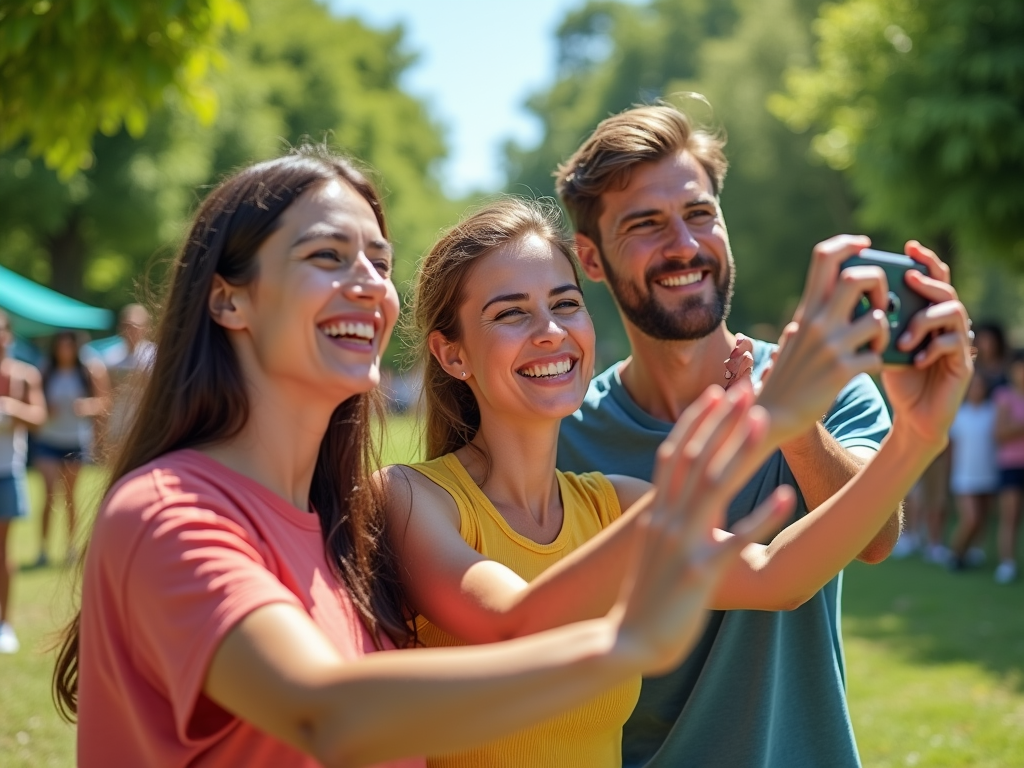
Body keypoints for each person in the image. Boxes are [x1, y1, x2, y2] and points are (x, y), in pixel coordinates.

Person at [55, 147, 792, 768]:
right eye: (327, 256)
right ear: (228, 301)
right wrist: (619, 645)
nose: (370, 286)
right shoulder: (168, 513)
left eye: (379, 261)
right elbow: (324, 716)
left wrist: (912, 432)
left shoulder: (339, 525)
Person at [384, 197, 971, 768]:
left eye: (566, 304)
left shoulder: (614, 504)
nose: (550, 332)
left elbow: (779, 578)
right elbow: (515, 626)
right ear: (451, 354)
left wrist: (918, 438)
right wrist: (761, 430)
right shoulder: (410, 497)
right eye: (511, 313)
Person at [552, 103, 972, 767]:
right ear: (590, 259)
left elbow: (877, 536)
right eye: (645, 225)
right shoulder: (566, 437)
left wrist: (792, 425)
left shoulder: (824, 379)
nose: (685, 246)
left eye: (699, 214)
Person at [33, 331, 109, 566]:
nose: (65, 351)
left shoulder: (88, 370)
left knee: (69, 497)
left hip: (74, 442)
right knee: (47, 495)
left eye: (69, 347)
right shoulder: (46, 370)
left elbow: (104, 402)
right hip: (48, 441)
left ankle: (71, 548)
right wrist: (46, 408)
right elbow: (34, 402)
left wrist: (86, 407)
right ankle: (43, 550)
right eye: (61, 347)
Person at [0, 310, 47, 653]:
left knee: (2, 552)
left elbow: (38, 417)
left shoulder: (23, 376)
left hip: (6, 472)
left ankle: (5, 623)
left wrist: (10, 408)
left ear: (9, 336)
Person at [84, 303, 155, 451]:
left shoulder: (155, 357)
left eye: (135, 326)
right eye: (127, 325)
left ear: (145, 328)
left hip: (147, 424)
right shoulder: (110, 359)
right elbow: (104, 396)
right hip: (118, 424)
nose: (131, 331)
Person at [946, 373, 998, 570]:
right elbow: (952, 449)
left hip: (988, 474)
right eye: (973, 386)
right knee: (971, 519)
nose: (977, 390)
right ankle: (955, 553)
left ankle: (967, 555)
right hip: (964, 476)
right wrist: (950, 477)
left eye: (980, 386)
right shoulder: (959, 415)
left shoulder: (992, 412)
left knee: (982, 520)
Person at [993, 351, 1024, 584]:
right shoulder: (1004, 396)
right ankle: (1006, 564)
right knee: (1010, 517)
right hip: (1011, 465)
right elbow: (1000, 433)